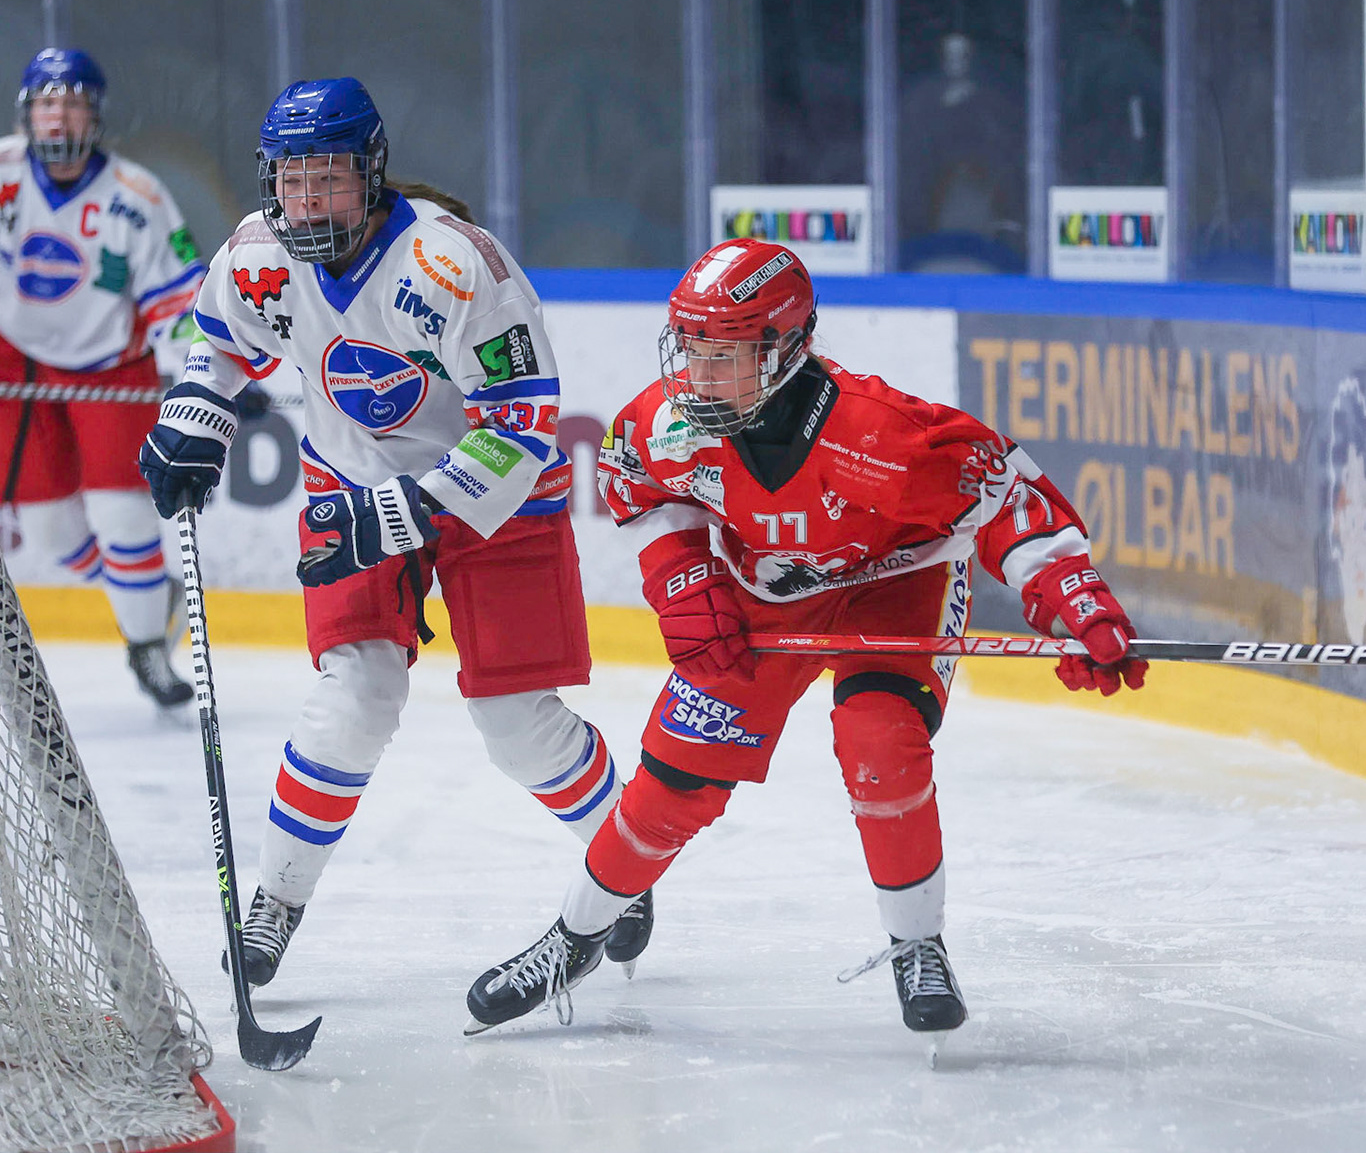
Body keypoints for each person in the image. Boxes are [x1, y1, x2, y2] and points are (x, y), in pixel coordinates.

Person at [464, 239, 1147, 1041]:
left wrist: (1070, 598)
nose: (698, 375)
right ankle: (575, 938)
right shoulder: (668, 424)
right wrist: (682, 577)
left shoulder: (881, 435)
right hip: (767, 596)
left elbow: (1004, 499)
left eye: (724, 356)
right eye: (690, 350)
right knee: (671, 784)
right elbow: (637, 484)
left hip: (894, 587)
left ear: (786, 349)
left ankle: (918, 945)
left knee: (880, 745)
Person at [138, 77, 648, 985]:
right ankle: (276, 902)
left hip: (499, 498)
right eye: (291, 181)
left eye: (328, 179)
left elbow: (523, 421)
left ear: (371, 173)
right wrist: (194, 413)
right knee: (355, 699)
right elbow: (218, 344)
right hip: (353, 481)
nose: (307, 202)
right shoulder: (258, 257)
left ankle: (622, 865)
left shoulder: (455, 266)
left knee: (516, 725)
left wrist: (410, 510)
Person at [0, 47, 206, 707]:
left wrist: (198, 375)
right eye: (47, 102)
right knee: (48, 530)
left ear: (95, 115)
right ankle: (146, 594)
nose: (58, 116)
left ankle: (146, 646)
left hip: (113, 364)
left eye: (72, 103)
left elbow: (180, 300)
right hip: (14, 360)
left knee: (124, 514)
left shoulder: (137, 196)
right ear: (26, 112)